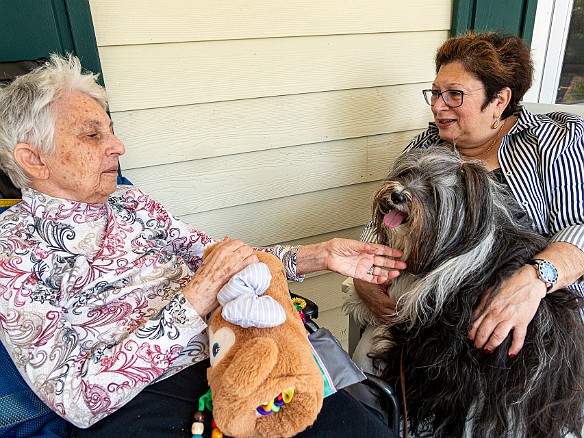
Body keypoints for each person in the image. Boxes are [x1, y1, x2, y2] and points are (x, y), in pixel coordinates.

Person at [0, 54, 406, 437]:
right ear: (34, 160)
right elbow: (76, 398)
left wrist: (319, 255)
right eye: (92, 135)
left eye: (110, 130)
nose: (117, 147)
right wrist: (195, 299)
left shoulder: (130, 202)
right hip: (141, 398)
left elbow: (222, 261)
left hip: (238, 350)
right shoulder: (13, 249)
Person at [354, 31, 584, 360]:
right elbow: (382, 227)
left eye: (454, 95)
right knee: (364, 370)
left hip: (524, 319)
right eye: (434, 93)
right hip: (427, 314)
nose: (437, 106)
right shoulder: (425, 147)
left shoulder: (552, 141)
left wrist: (533, 280)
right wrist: (364, 280)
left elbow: (580, 229)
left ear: (499, 101)